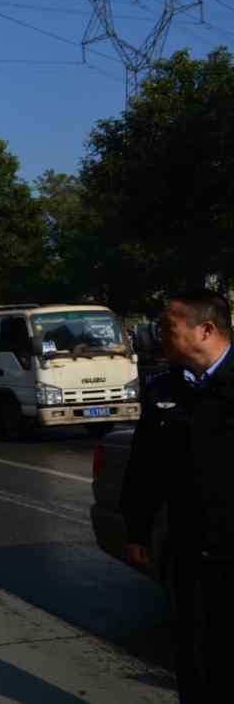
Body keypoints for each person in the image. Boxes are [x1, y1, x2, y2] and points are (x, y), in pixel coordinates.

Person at [120, 288, 234, 702]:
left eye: (166, 328)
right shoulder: (162, 388)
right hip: (187, 544)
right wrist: (137, 529)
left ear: (205, 330)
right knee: (191, 647)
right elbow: (145, 466)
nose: (155, 336)